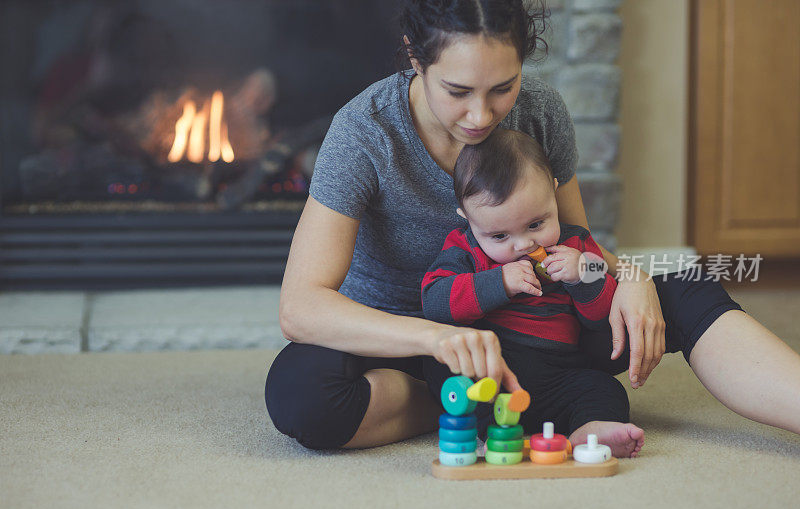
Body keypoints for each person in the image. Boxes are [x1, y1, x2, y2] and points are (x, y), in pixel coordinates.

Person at [266, 0, 800, 452]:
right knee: (301, 391)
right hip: (415, 337)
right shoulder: (365, 131)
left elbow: (575, 246)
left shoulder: (540, 110)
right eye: (456, 91)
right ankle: (476, 402)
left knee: (681, 289)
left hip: (542, 329)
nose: (481, 115)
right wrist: (440, 339)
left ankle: (498, 404)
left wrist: (630, 277)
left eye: (503, 87)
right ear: (414, 57)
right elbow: (301, 305)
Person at [421, 128, 644, 457]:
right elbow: (435, 300)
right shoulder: (464, 249)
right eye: (499, 236)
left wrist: (583, 273)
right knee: (445, 363)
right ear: (467, 219)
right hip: (494, 368)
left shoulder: (576, 244)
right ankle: (492, 426)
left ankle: (589, 430)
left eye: (536, 224)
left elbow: (605, 303)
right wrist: (499, 282)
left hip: (559, 373)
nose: (523, 244)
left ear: (554, 192)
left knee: (603, 389)